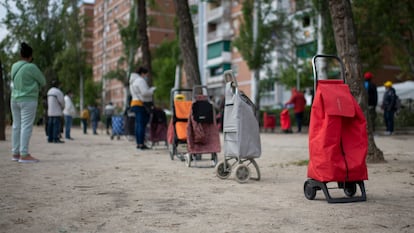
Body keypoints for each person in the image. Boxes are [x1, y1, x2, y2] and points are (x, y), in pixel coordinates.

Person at [10, 42, 46, 162]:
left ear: (20, 54)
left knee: (16, 126)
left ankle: (15, 153)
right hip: (28, 100)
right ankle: (24, 154)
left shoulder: (14, 66)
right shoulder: (32, 67)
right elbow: (43, 81)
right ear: (30, 56)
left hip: (14, 99)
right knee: (26, 126)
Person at [130, 66, 156, 150]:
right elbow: (145, 93)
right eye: (146, 74)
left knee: (138, 124)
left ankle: (139, 143)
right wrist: (151, 90)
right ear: (142, 73)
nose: (147, 76)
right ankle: (141, 144)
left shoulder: (132, 81)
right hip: (141, 104)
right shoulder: (140, 80)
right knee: (141, 125)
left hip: (134, 103)